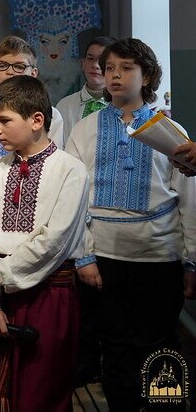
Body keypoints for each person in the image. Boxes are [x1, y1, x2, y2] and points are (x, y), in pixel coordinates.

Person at [66, 38, 196, 411]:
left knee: (160, 346)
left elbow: (189, 200)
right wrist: (84, 256)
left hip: (159, 258)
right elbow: (74, 199)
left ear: (147, 76)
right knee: (115, 347)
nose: (115, 75)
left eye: (126, 68)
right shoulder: (85, 129)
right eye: (110, 68)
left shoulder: (171, 131)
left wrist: (191, 261)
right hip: (104, 259)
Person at [0, 76, 89, 411]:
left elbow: (54, 242)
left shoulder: (70, 170)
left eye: (4, 121)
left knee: (41, 393)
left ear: (36, 120)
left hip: (49, 294)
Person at [0, 36, 65, 168]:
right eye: (2, 65)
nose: (10, 71)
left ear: (33, 73)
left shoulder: (52, 115)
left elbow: (53, 163)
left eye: (19, 66)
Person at [55, 36, 115, 139]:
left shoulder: (124, 107)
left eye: (102, 60)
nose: (95, 65)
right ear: (83, 63)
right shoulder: (65, 106)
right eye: (90, 59)